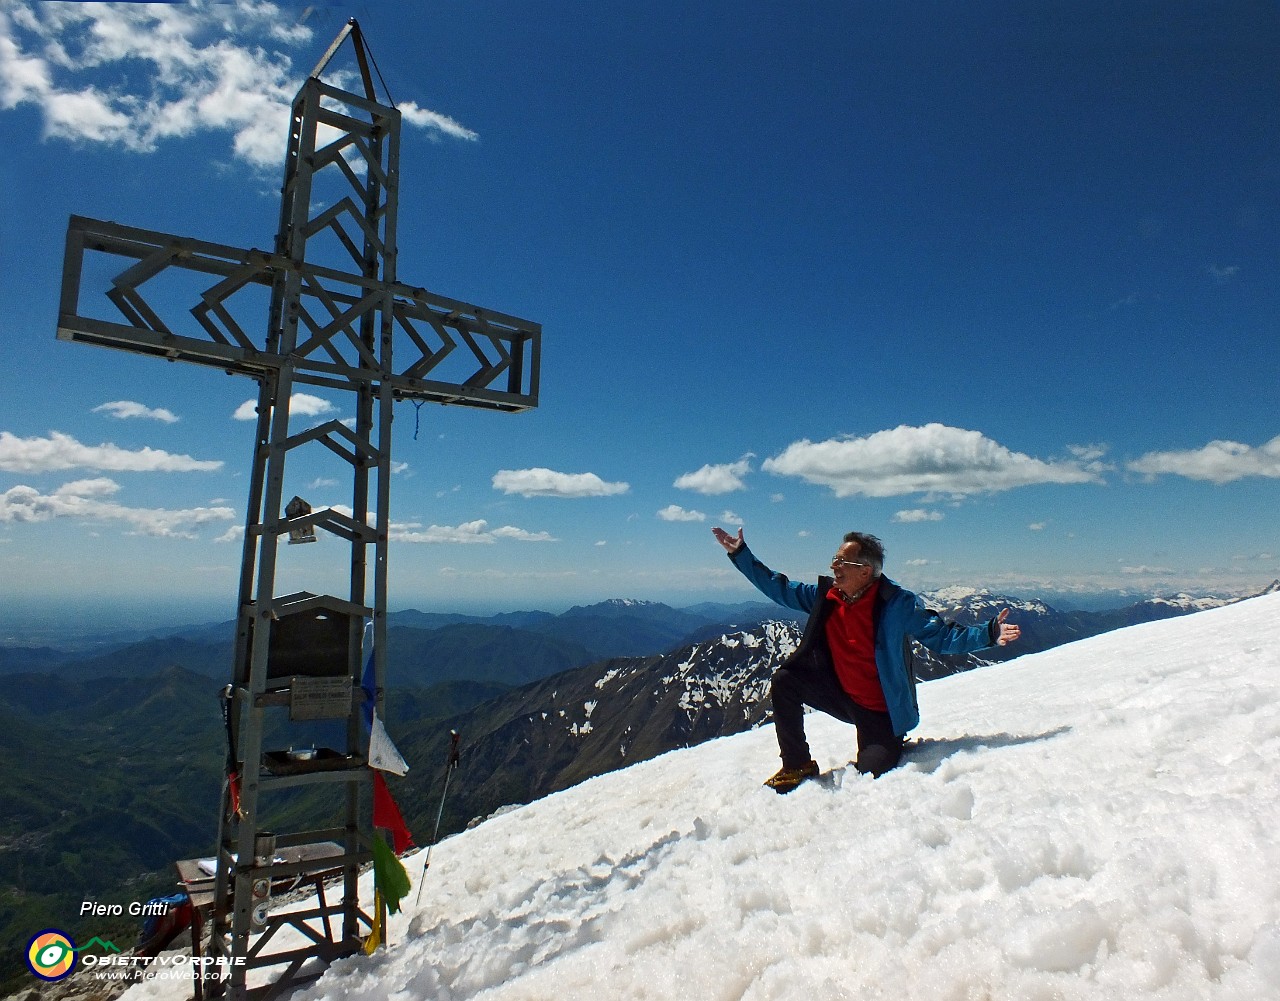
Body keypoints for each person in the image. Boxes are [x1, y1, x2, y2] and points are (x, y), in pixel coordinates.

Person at [712, 526, 1021, 792]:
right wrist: (741, 555)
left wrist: (989, 633)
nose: (834, 566)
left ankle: (885, 744)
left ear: (865, 571)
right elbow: (778, 587)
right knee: (785, 682)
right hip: (843, 696)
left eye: (841, 562)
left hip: (880, 713)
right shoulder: (826, 598)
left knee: (870, 775)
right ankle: (797, 765)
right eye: (834, 560)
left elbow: (942, 636)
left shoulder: (897, 604)